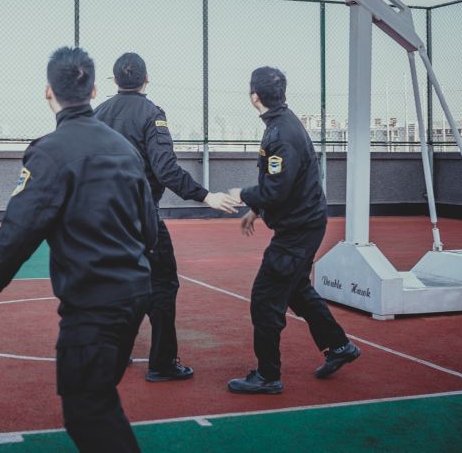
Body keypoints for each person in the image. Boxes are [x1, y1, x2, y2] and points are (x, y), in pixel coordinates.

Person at [0, 47, 156, 453]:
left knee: (88, 411)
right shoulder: (125, 150)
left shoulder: (49, 151)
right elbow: (150, 228)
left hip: (93, 302)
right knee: (98, 397)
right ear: (93, 90)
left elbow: (20, 228)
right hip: (135, 292)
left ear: (48, 91)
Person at [94, 52, 239, 382]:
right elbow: (166, 169)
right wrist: (206, 195)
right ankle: (162, 363)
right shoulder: (151, 114)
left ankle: (115, 351)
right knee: (162, 286)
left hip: (104, 220)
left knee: (116, 285)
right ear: (146, 78)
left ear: (114, 80)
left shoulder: (97, 114)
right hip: (140, 218)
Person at [227, 66, 359, 394]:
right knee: (297, 288)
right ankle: (339, 346)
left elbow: (277, 189)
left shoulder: (281, 134)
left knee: (265, 299)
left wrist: (242, 195)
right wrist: (256, 209)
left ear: (254, 96)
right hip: (305, 224)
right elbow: (281, 183)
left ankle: (267, 376)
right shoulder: (282, 124)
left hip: (297, 231)